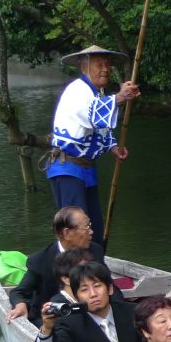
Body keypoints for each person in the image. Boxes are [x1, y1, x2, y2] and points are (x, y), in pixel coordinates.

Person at [46, 45, 140, 245]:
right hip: (68, 168)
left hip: (86, 168)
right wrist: (120, 97)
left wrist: (113, 147)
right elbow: (92, 115)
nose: (105, 69)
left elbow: (99, 129)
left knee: (94, 227)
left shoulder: (97, 93)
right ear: (84, 68)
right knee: (76, 229)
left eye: (107, 64)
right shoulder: (77, 91)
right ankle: (73, 271)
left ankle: (95, 266)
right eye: (99, 64)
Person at [34, 261, 139, 342]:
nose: (93, 294)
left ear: (110, 289)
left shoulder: (133, 312)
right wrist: (47, 328)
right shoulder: (71, 324)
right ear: (76, 297)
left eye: (97, 286)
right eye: (84, 290)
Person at [6, 208, 104, 323]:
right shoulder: (40, 260)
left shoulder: (96, 251)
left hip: (91, 314)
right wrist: (20, 304)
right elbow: (19, 292)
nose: (91, 232)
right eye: (86, 228)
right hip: (53, 319)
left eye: (90, 226)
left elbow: (108, 285)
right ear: (67, 233)